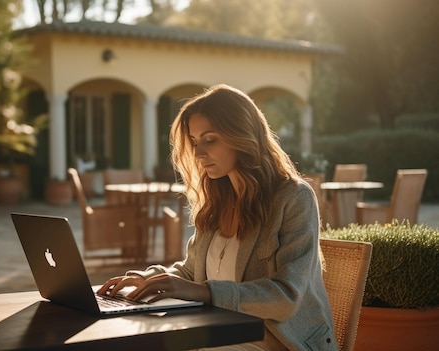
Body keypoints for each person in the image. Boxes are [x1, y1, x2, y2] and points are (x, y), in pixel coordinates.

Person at [98, 84, 337, 351]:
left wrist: (205, 292)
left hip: (274, 341)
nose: (199, 154)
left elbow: (286, 298)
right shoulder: (216, 201)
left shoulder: (293, 198)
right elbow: (192, 272)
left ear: (242, 135)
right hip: (218, 335)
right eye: (194, 142)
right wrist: (150, 280)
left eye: (210, 139)